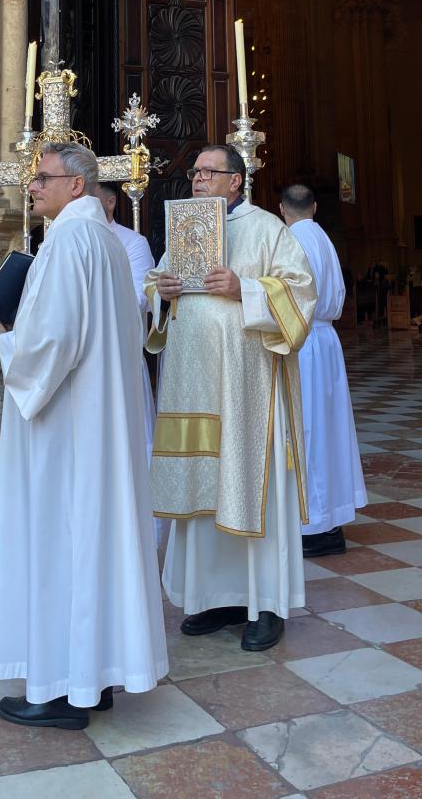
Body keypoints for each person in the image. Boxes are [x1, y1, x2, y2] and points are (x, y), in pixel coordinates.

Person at [0, 143, 167, 728]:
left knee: (60, 539)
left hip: (65, 426)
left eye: (43, 178)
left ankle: (58, 691)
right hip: (95, 419)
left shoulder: (66, 242)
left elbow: (50, 345)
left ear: (77, 186)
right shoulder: (107, 242)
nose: (32, 186)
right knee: (92, 538)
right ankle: (94, 677)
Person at [149, 145, 317, 652]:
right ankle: (213, 597)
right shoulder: (185, 229)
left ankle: (264, 604)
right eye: (195, 172)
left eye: (208, 172)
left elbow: (301, 293)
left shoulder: (267, 229)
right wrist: (164, 290)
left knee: (247, 485)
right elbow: (151, 289)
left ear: (235, 182)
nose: (197, 179)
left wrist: (243, 288)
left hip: (247, 392)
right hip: (191, 385)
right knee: (204, 485)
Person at [279, 183, 367, 556]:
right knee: (328, 430)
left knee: (308, 429)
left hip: (303, 341)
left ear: (282, 210)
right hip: (326, 339)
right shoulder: (325, 239)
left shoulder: (290, 241)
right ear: (314, 206)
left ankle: (313, 525)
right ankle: (330, 517)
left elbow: (287, 296)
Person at [95, 182, 157, 460]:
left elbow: (138, 298)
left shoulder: (133, 242)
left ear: (110, 203)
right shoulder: (67, 238)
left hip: (119, 355)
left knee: (127, 448)